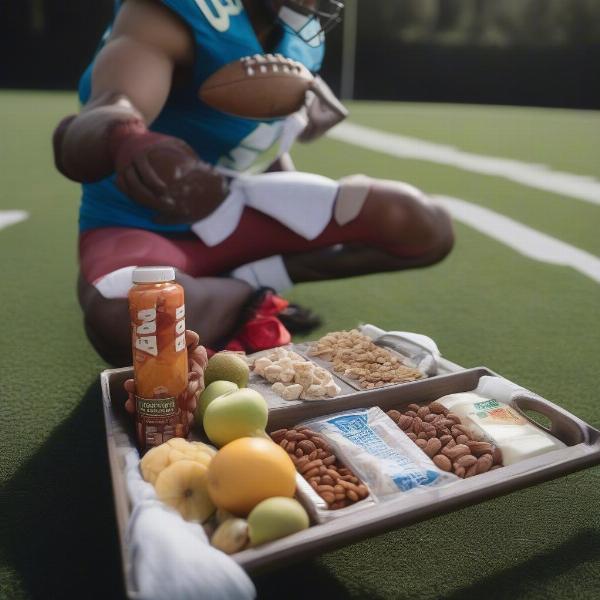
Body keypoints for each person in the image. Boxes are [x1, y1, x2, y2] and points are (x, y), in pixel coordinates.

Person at [53, 0, 454, 367]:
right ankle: (246, 295)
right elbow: (108, 106)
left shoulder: (303, 37)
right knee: (135, 320)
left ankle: (254, 279)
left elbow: (265, 144)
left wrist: (290, 209)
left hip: (231, 209)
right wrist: (129, 139)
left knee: (421, 225)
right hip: (138, 226)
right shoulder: (173, 14)